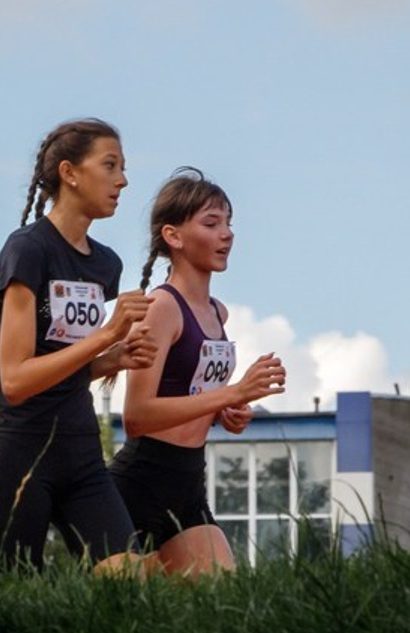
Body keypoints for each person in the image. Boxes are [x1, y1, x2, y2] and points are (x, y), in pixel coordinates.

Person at [0, 118, 157, 573]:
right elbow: (16, 380)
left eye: (124, 168)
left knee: (131, 579)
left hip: (80, 452)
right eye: (110, 165)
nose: (123, 180)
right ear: (69, 173)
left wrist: (110, 360)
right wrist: (106, 336)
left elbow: (62, 365)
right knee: (14, 603)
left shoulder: (105, 265)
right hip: (22, 453)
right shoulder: (28, 250)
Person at [110, 168, 285, 575]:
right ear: (173, 236)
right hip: (139, 484)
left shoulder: (218, 313)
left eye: (229, 223)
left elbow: (191, 395)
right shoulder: (162, 308)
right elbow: (136, 416)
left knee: (221, 612)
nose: (227, 234)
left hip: (189, 483)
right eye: (211, 223)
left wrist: (225, 414)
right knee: (124, 617)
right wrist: (232, 394)